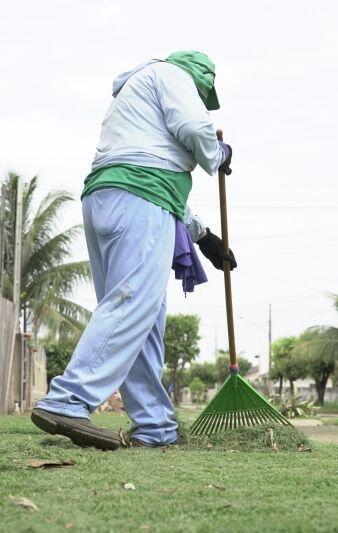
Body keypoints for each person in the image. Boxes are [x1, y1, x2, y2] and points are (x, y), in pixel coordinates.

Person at [31, 51, 236, 450]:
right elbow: (194, 129)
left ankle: (156, 425)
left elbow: (148, 163)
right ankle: (69, 400)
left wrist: (202, 234)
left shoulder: (134, 96)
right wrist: (219, 154)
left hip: (108, 197)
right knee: (132, 303)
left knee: (142, 313)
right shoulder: (174, 74)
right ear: (200, 80)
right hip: (140, 197)